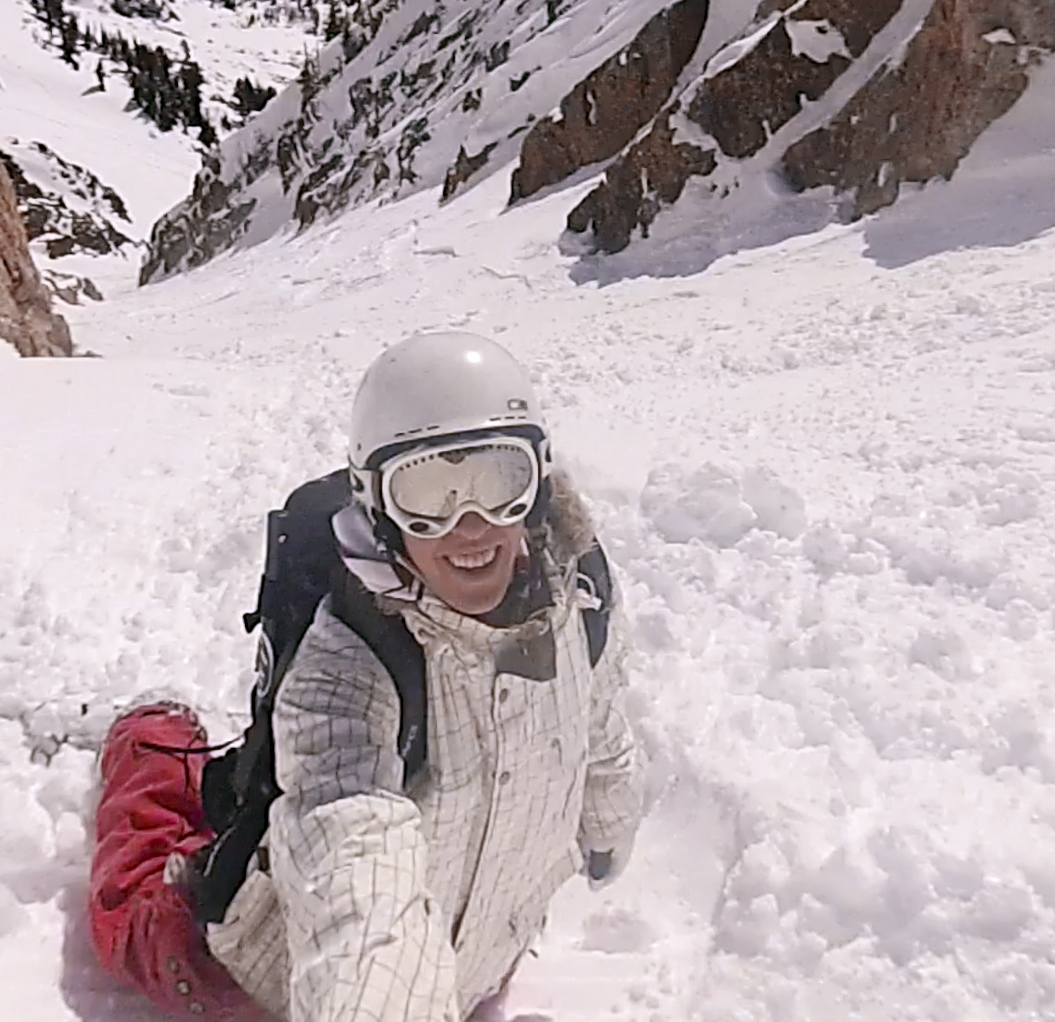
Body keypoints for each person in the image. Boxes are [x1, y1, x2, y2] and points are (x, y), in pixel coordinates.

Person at [86, 332, 642, 1022]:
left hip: (477, 955)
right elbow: (352, 859)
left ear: (537, 484)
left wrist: (608, 820)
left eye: (499, 481)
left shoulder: (578, 598)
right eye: (428, 494)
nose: (470, 527)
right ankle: (149, 736)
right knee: (132, 920)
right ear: (378, 503)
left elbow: (598, 719)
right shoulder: (348, 662)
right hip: (275, 979)